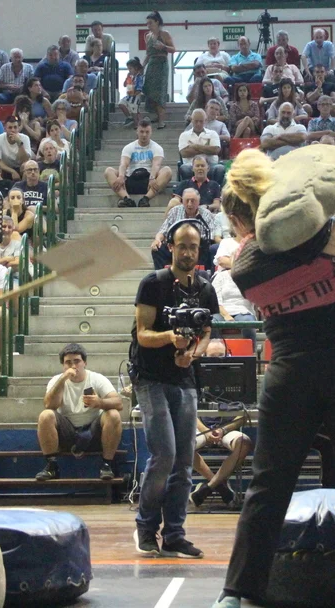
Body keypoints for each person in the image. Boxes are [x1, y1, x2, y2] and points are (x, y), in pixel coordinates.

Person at [211, 149, 335, 608]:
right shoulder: (320, 233)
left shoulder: (243, 265)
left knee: (268, 485)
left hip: (290, 372)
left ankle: (236, 593)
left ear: (237, 221)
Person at [131, 221, 217, 560]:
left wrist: (192, 354)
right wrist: (170, 338)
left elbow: (206, 331)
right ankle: (146, 528)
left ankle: (175, 535)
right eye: (182, 245)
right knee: (164, 455)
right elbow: (142, 334)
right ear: (171, 247)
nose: (188, 252)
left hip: (185, 379)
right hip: (151, 377)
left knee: (183, 462)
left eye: (193, 247)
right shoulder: (153, 283)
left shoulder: (206, 288)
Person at [36, 343, 123, 482]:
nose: (73, 366)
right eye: (68, 362)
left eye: (77, 361)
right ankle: (52, 466)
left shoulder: (97, 378)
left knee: (113, 414)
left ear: (85, 363)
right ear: (63, 365)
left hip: (93, 431)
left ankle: (107, 464)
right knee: (45, 415)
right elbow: (50, 405)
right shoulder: (57, 380)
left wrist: (100, 402)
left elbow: (118, 403)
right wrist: (63, 379)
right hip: (67, 432)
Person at [105, 119, 173, 208]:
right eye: (141, 132)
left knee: (167, 171)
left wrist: (152, 177)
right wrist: (121, 176)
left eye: (147, 132)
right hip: (130, 179)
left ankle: (146, 199)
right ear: (137, 131)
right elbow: (123, 164)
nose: (144, 135)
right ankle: (127, 199)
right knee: (108, 171)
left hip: (149, 182)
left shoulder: (157, 148)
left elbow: (156, 164)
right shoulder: (129, 147)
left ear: (151, 132)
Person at [151, 189, 216, 270]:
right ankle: (163, 275)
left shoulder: (206, 214)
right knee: (157, 249)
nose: (189, 204)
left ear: (199, 202)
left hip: (197, 247)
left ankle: (200, 275)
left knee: (209, 249)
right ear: (182, 201)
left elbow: (211, 236)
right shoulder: (175, 211)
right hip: (176, 246)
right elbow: (163, 231)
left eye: (193, 201)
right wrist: (157, 240)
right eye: (187, 201)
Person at [143, 12, 177, 129]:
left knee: (160, 91)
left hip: (161, 63)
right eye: (147, 23)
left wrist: (164, 47)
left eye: (150, 23)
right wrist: (143, 66)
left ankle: (161, 120)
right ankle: (157, 115)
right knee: (150, 90)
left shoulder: (164, 34)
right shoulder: (148, 36)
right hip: (151, 64)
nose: (148, 25)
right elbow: (148, 54)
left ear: (157, 22)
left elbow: (173, 49)